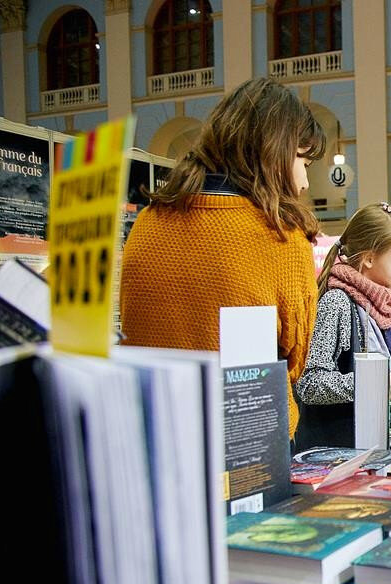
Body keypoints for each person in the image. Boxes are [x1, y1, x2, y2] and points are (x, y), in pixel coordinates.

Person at [119, 78, 324, 439]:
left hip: (152, 433)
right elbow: (295, 361)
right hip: (250, 442)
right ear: (273, 150)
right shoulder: (281, 236)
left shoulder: (147, 221)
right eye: (302, 159)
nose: (305, 181)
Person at [296, 202, 391, 449]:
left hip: (372, 443)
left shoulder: (379, 303)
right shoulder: (336, 302)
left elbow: (388, 368)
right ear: (370, 258)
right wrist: (374, 383)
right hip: (341, 451)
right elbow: (310, 384)